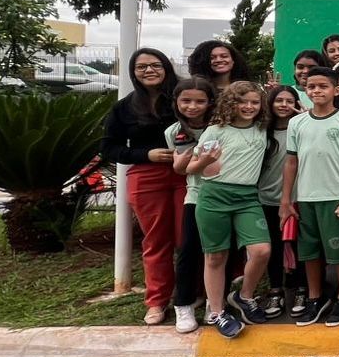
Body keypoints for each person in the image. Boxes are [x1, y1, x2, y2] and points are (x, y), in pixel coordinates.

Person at [100, 48, 182, 325]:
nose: (149, 70)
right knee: (156, 240)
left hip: (187, 174)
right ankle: (157, 301)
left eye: (155, 65)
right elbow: (109, 148)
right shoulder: (124, 107)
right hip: (147, 177)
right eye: (141, 66)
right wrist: (146, 155)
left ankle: (191, 295)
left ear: (166, 67)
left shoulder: (182, 98)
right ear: (133, 72)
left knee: (188, 238)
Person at [186, 81, 273, 338]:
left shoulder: (261, 127)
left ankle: (244, 296)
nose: (248, 107)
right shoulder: (216, 130)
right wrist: (206, 160)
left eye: (254, 102)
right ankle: (218, 311)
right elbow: (191, 168)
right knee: (215, 257)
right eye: (242, 101)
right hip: (214, 196)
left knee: (261, 250)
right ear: (230, 103)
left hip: (247, 197)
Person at [279, 66, 339, 328]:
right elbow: (291, 162)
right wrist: (285, 201)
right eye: (311, 86)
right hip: (305, 197)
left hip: (336, 196)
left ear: (336, 90)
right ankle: (315, 297)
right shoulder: (297, 122)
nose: (316, 90)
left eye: (323, 86)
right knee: (310, 251)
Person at [165, 76, 214, 333]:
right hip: (195, 196)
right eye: (186, 100)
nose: (193, 106)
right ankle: (183, 304)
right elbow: (180, 169)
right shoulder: (174, 132)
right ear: (176, 102)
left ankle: (213, 302)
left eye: (200, 101)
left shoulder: (221, 125)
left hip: (223, 196)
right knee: (188, 250)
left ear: (210, 103)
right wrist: (197, 157)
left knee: (218, 252)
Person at [259, 84, 303, 318]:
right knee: (273, 246)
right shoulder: (261, 132)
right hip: (267, 197)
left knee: (299, 245)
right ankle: (276, 288)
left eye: (289, 101)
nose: (284, 105)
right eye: (279, 100)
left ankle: (300, 288)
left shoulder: (302, 128)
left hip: (298, 197)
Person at [188, 40, 253, 92]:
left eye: (224, 56)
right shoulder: (197, 89)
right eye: (212, 58)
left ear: (233, 60)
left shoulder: (246, 89)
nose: (218, 60)